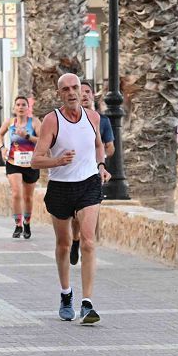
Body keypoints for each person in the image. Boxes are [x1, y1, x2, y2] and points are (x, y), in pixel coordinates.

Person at [31, 73, 110, 324]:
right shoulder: (52, 121)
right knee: (64, 244)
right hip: (61, 187)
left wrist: (100, 165)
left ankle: (87, 304)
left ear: (83, 91)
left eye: (76, 87)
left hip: (88, 184)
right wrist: (57, 160)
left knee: (88, 242)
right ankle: (66, 294)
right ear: (60, 94)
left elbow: (99, 145)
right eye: (66, 89)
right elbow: (36, 160)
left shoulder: (93, 117)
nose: (72, 92)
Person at [69, 83, 116, 265]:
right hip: (73, 173)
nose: (85, 95)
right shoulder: (68, 119)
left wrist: (102, 151)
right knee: (74, 215)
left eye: (88, 92)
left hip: (93, 173)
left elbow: (110, 148)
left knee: (89, 211)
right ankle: (75, 240)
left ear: (93, 96)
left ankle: (87, 245)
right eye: (82, 92)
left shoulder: (102, 121)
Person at [0, 96, 42, 239]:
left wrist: (27, 136)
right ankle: (18, 225)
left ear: (28, 107)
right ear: (14, 108)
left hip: (31, 164)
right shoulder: (10, 122)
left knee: (28, 197)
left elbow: (42, 140)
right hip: (13, 162)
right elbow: (0, 134)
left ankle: (27, 223)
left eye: (23, 105)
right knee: (16, 193)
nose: (21, 107)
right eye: (18, 105)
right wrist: (2, 147)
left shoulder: (34, 122)